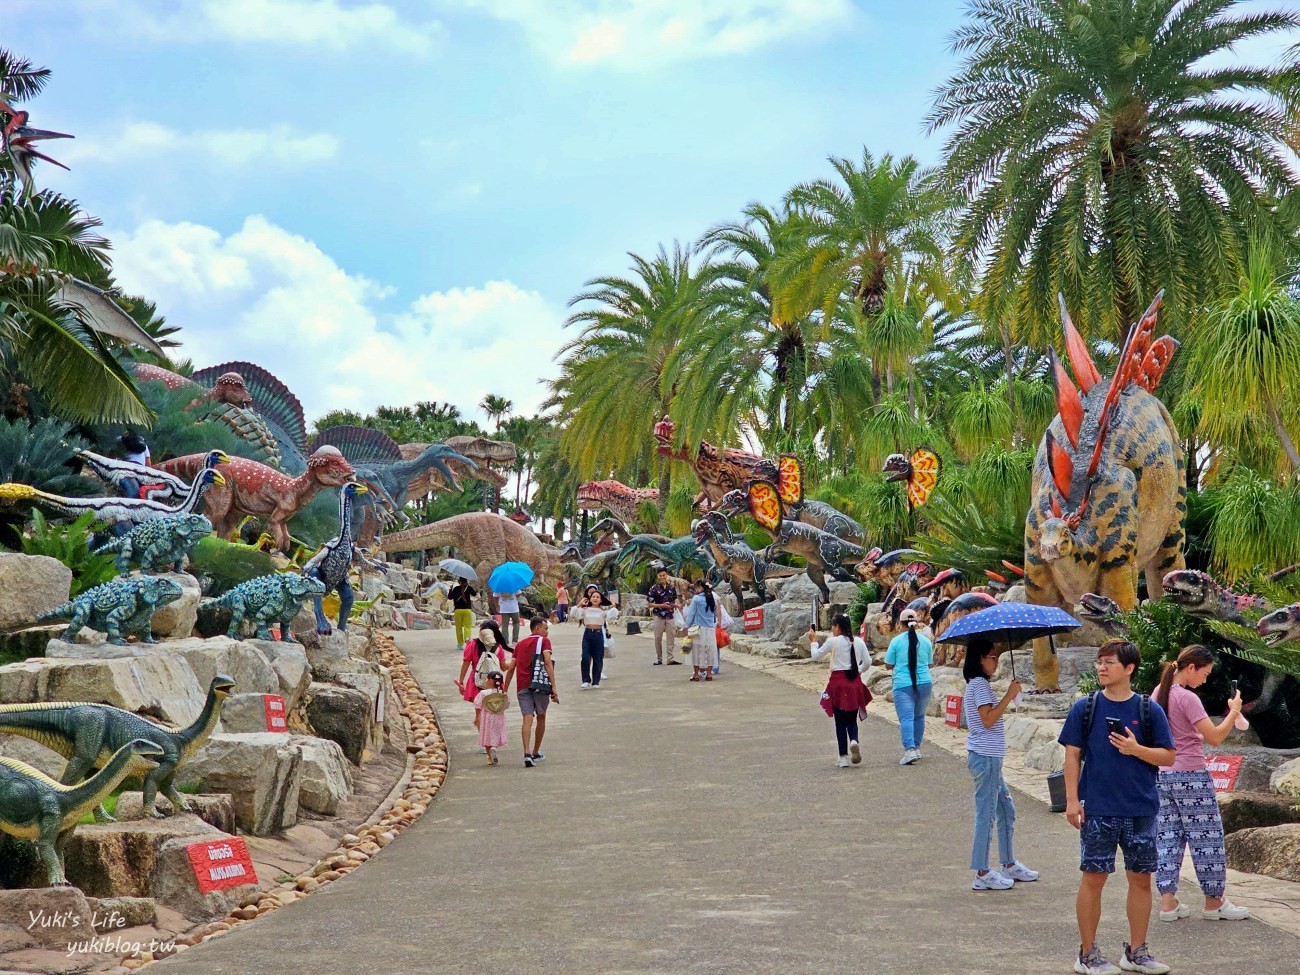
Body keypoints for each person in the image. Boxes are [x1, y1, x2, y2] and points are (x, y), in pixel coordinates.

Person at [1059, 639, 1176, 975]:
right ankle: (1087, 953)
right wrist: (1071, 800)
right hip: (1098, 808)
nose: (1101, 667)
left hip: (1141, 809)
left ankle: (1137, 952)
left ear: (1129, 668)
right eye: (1099, 661)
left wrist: (1136, 749)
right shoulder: (1086, 707)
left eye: (1109, 662)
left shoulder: (1148, 710)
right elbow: (1072, 755)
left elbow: (1168, 756)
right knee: (1093, 879)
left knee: (1141, 879)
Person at [1152, 645, 1249, 923]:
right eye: (1204, 674)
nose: (1204, 680)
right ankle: (1213, 901)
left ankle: (1168, 903)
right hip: (1191, 775)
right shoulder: (1187, 697)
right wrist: (1234, 711)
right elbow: (1215, 737)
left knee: (1168, 837)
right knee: (1207, 838)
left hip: (1164, 774)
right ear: (1191, 667)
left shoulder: (1158, 692)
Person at [962, 638, 1038, 890]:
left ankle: (1008, 862)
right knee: (987, 814)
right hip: (986, 758)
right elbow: (988, 720)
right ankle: (982, 871)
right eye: (992, 657)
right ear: (980, 659)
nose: (995, 661)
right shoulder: (980, 686)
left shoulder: (978, 685)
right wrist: (1008, 695)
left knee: (1006, 810)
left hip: (989, 757)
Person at [808, 614, 871, 768]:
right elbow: (868, 662)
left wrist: (813, 642)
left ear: (837, 627)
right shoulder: (858, 642)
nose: (832, 629)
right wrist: (858, 671)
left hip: (837, 684)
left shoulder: (833, 641)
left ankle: (843, 757)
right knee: (852, 718)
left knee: (840, 722)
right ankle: (854, 740)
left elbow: (815, 657)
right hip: (854, 683)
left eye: (833, 626)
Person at [502, 616, 559, 767]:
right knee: (541, 717)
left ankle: (526, 752)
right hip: (539, 685)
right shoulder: (544, 641)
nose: (547, 632)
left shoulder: (519, 645)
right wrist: (554, 687)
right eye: (545, 628)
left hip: (522, 685)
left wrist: (504, 689)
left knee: (527, 718)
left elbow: (511, 668)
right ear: (537, 628)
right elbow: (547, 662)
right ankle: (535, 751)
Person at [884, 608, 933, 765]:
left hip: (903, 684)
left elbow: (888, 664)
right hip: (925, 682)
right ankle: (917, 748)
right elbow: (930, 663)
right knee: (919, 716)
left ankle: (909, 749)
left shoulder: (896, 642)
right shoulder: (925, 641)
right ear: (917, 623)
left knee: (906, 718)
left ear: (900, 624)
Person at [455, 621, 511, 732]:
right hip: (495, 684)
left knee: (479, 712)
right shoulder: (498, 647)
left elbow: (466, 663)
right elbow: (504, 667)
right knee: (493, 711)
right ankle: (492, 740)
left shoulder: (472, 644)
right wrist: (516, 661)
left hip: (477, 682)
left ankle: (483, 741)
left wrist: (461, 681)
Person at [574, 586, 617, 688]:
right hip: (588, 633)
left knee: (598, 658)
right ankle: (586, 680)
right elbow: (574, 614)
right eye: (593, 596)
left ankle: (596, 681)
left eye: (597, 597)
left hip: (598, 634)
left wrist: (613, 605)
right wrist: (580, 604)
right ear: (590, 598)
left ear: (601, 600)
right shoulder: (585, 610)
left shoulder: (603, 612)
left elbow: (613, 614)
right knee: (585, 657)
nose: (595, 598)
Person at [681, 579, 718, 682]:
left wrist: (686, 626)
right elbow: (714, 614)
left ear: (701, 588)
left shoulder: (696, 599)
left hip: (697, 629)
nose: (695, 589)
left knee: (696, 652)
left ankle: (696, 675)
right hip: (710, 629)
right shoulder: (712, 598)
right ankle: (709, 674)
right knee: (710, 651)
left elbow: (691, 614)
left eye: (697, 587)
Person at [646, 567, 680, 666]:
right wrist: (661, 605)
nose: (662, 577)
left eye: (663, 575)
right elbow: (649, 604)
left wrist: (675, 605)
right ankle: (659, 658)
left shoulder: (671, 587)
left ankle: (670, 658)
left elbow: (674, 600)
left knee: (671, 636)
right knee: (658, 637)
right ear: (658, 576)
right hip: (658, 615)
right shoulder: (654, 588)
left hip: (670, 615)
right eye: (660, 576)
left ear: (667, 575)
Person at [473, 671, 508, 764]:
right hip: (498, 716)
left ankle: (489, 756)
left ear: (489, 680)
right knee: (496, 733)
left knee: (487, 735)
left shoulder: (484, 693)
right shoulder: (502, 693)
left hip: (486, 717)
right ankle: (494, 748)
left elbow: (478, 705)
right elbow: (506, 704)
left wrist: (477, 717)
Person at [450, 579, 477, 646]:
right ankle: (467, 638)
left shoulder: (456, 588)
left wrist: (450, 590)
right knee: (467, 626)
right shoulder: (469, 588)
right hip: (467, 610)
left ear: (459, 582)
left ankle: (460, 644)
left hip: (458, 610)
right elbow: (474, 594)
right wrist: (469, 587)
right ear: (466, 581)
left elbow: (450, 597)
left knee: (458, 627)